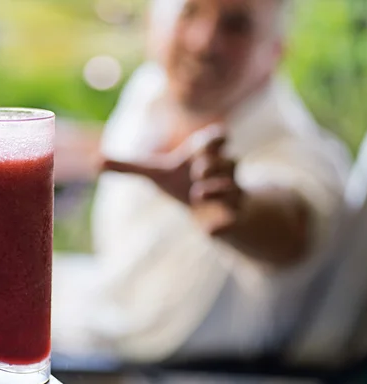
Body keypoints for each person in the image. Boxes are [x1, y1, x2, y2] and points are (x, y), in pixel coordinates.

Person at [52, 0, 351, 365]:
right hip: (101, 322)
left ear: (274, 51)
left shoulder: (296, 153)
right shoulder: (151, 92)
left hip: (152, 382)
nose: (204, 42)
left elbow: (293, 223)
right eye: (189, 12)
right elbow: (130, 157)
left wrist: (238, 208)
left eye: (236, 25)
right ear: (153, 25)